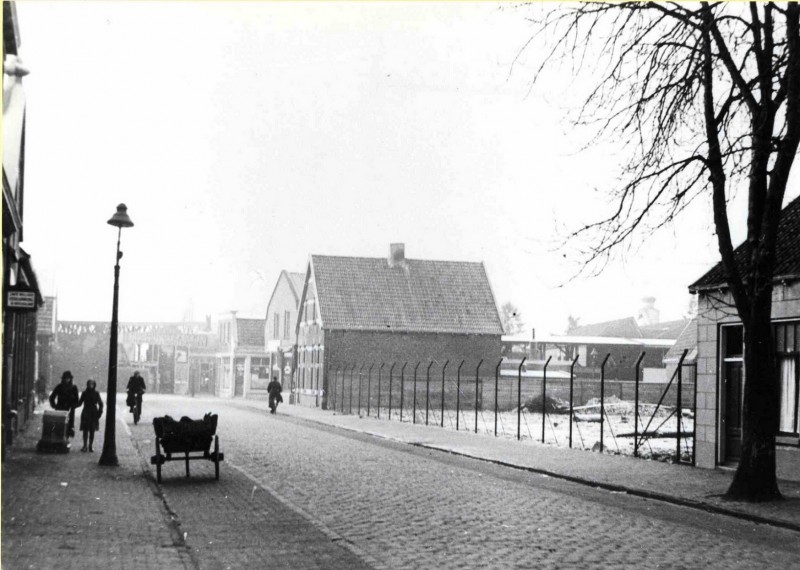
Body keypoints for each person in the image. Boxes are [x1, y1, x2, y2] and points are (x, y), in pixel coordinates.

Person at [76, 379, 103, 452]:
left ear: (94, 385)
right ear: (87, 385)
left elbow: (100, 403)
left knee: (92, 430)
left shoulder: (96, 393)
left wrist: (100, 412)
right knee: (85, 430)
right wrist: (73, 405)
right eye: (89, 384)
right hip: (86, 412)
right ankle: (84, 445)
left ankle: (90, 446)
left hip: (93, 413)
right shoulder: (84, 393)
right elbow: (80, 402)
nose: (91, 385)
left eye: (92, 384)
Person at [49, 371, 79, 437]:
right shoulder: (59, 387)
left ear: (70, 379)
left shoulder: (74, 388)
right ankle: (59, 439)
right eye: (65, 378)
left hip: (70, 410)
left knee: (68, 425)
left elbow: (77, 400)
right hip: (60, 408)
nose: (67, 380)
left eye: (68, 378)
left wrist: (73, 406)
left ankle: (66, 439)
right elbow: (52, 397)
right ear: (63, 379)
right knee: (60, 424)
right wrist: (54, 405)